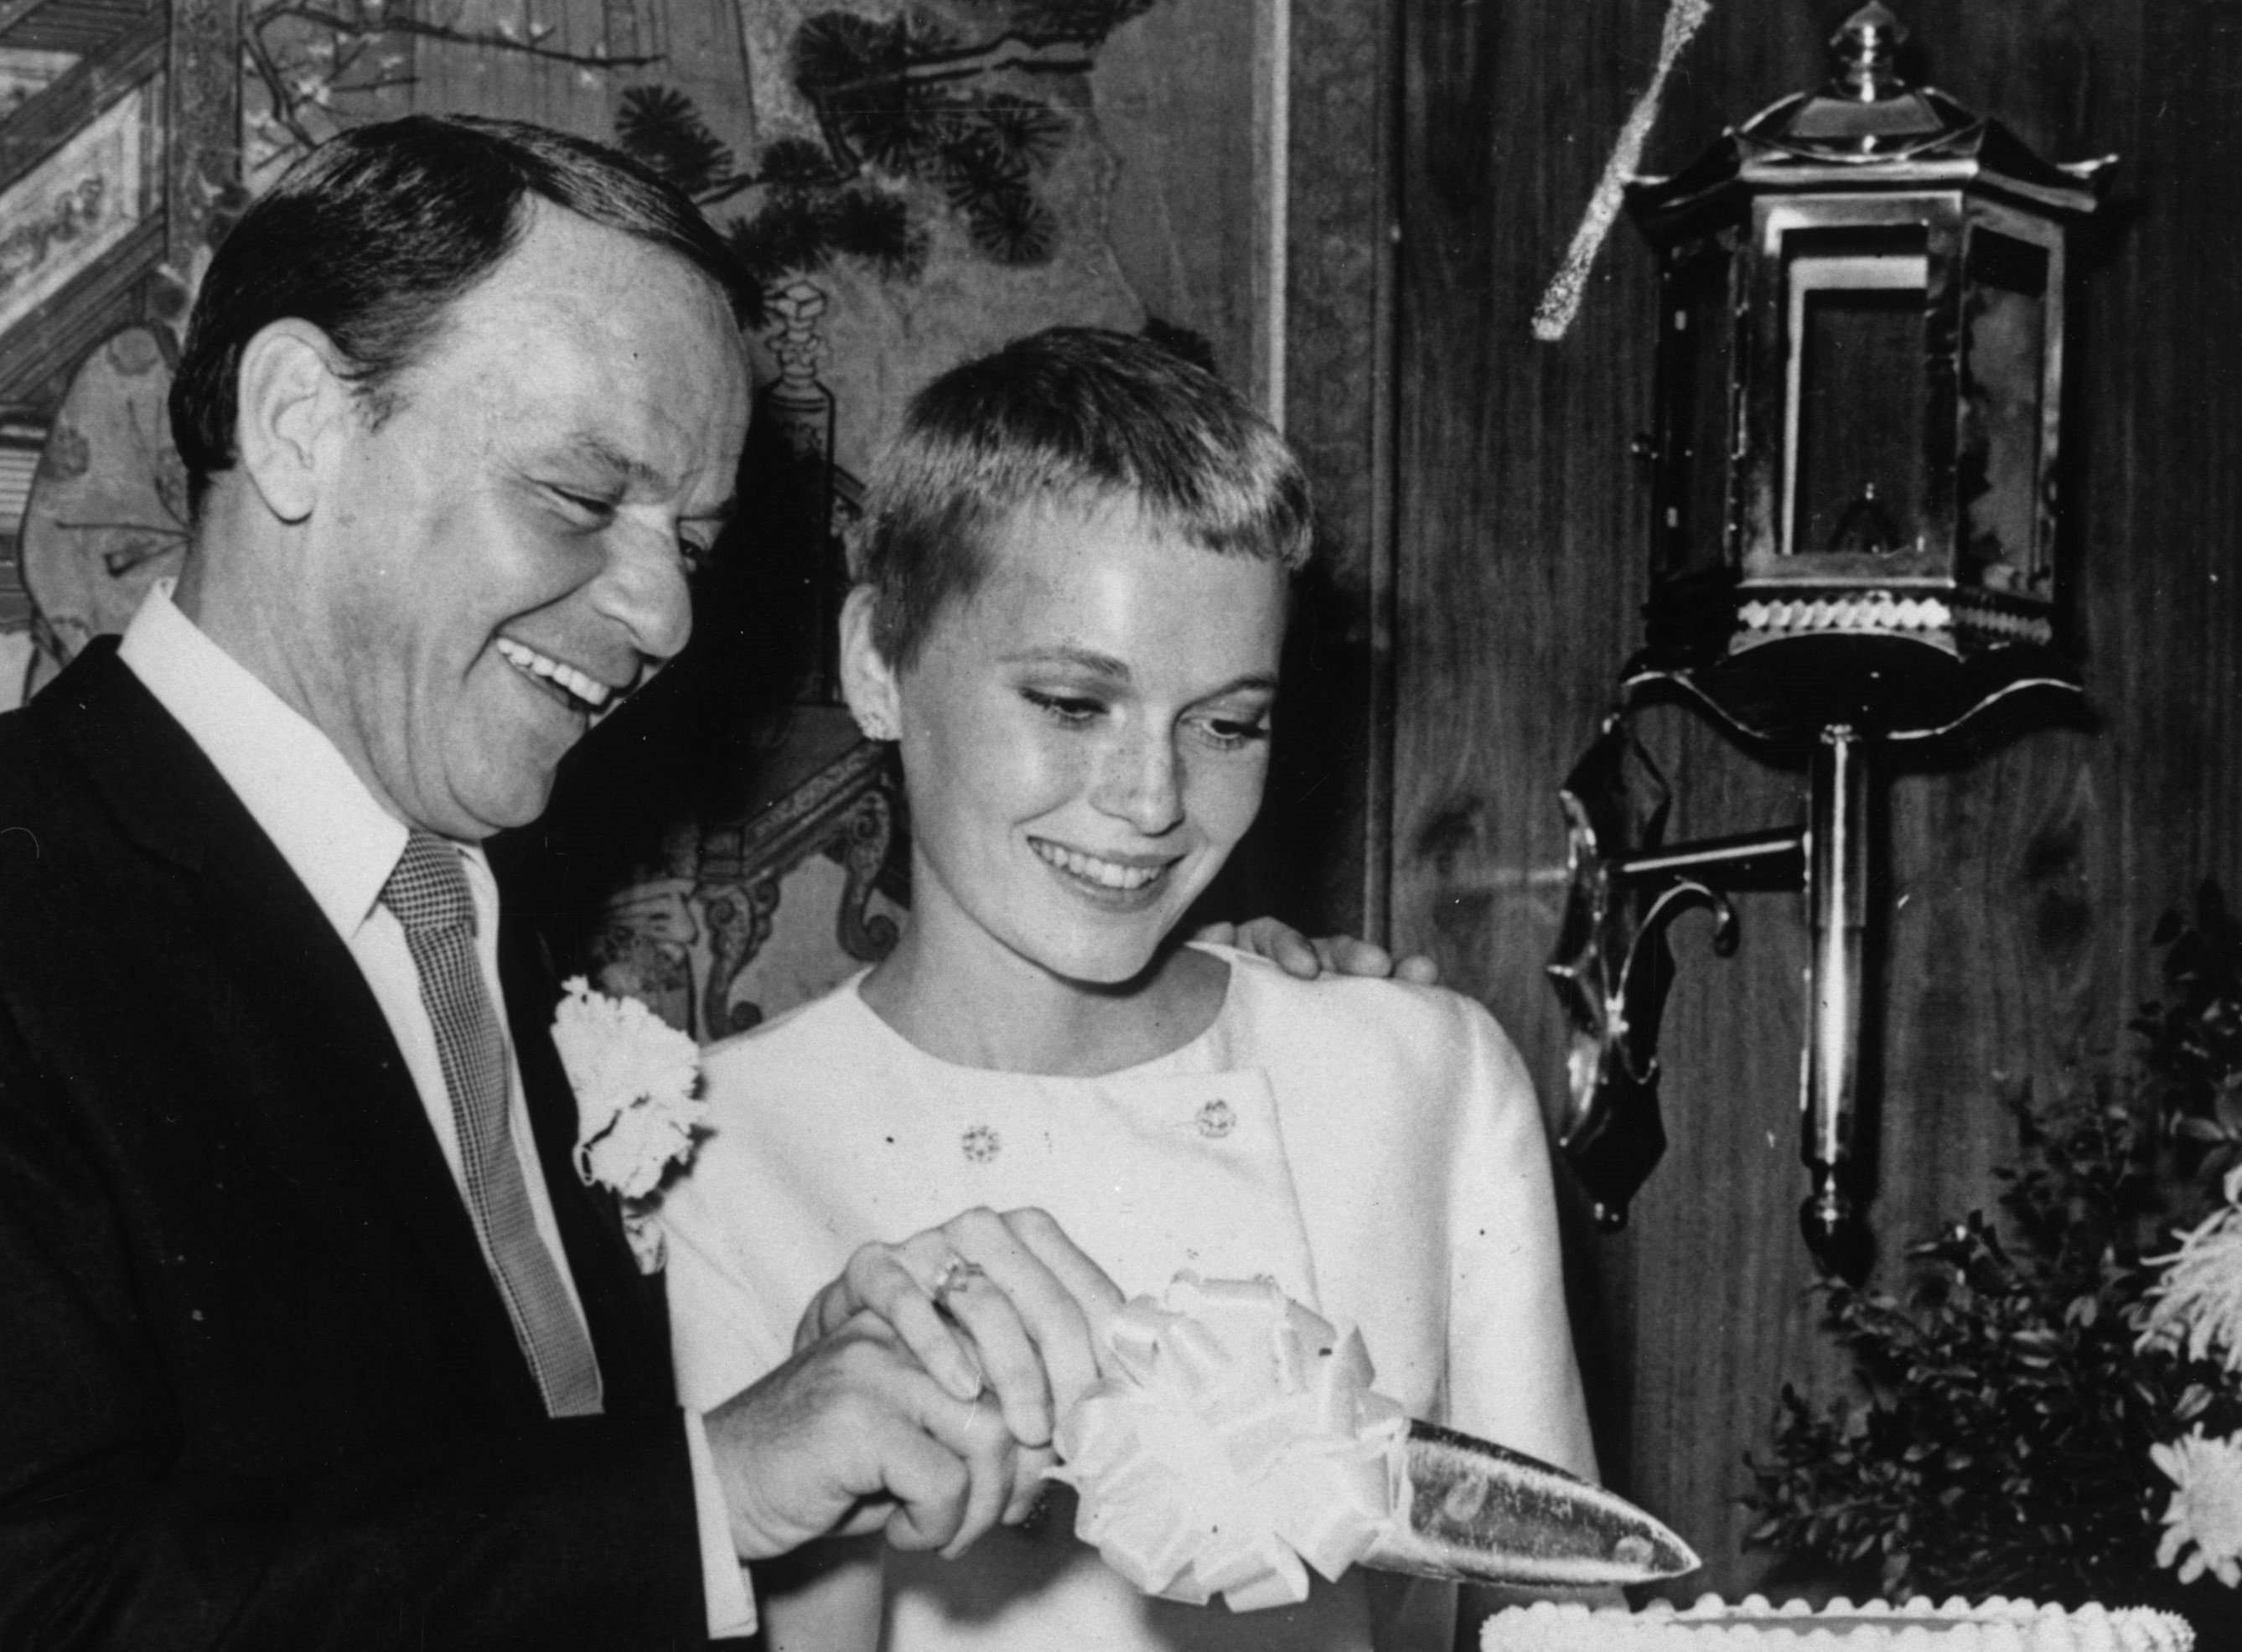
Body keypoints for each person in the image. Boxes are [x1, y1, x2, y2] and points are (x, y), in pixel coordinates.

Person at [0, 116, 1421, 1649]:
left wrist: (794, 1419)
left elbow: (471, 1511)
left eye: (690, 534)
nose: (664, 612)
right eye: (573, 496)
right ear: (296, 421)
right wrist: (713, 1485)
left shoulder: (475, 923)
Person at [657, 328, 1600, 1652]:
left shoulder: (1423, 1076)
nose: (1153, 803)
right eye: (1071, 702)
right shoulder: (715, 1148)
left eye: (1226, 723)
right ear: (878, 662)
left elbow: (1561, 1621)